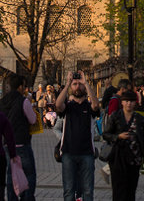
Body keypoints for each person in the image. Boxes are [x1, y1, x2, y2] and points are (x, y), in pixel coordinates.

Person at [55, 71, 100, 201]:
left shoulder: (88, 106)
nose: (77, 87)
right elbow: (58, 105)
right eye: (75, 84)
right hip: (68, 153)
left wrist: (86, 83)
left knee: (88, 191)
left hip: (87, 153)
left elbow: (96, 105)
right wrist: (67, 83)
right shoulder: (68, 106)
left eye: (79, 85)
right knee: (69, 191)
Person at [102, 89, 144, 201]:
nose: (129, 103)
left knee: (130, 190)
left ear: (135, 103)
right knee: (118, 190)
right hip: (118, 158)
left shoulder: (140, 119)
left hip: (135, 159)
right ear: (122, 102)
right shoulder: (115, 116)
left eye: (131, 101)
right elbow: (106, 134)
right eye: (126, 101)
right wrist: (118, 136)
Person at [0, 74, 37, 201]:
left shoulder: (0, 102)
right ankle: (27, 198)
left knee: (11, 175)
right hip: (22, 143)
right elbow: (32, 120)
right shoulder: (23, 101)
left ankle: (11, 198)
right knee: (29, 173)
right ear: (20, 87)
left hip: (7, 145)